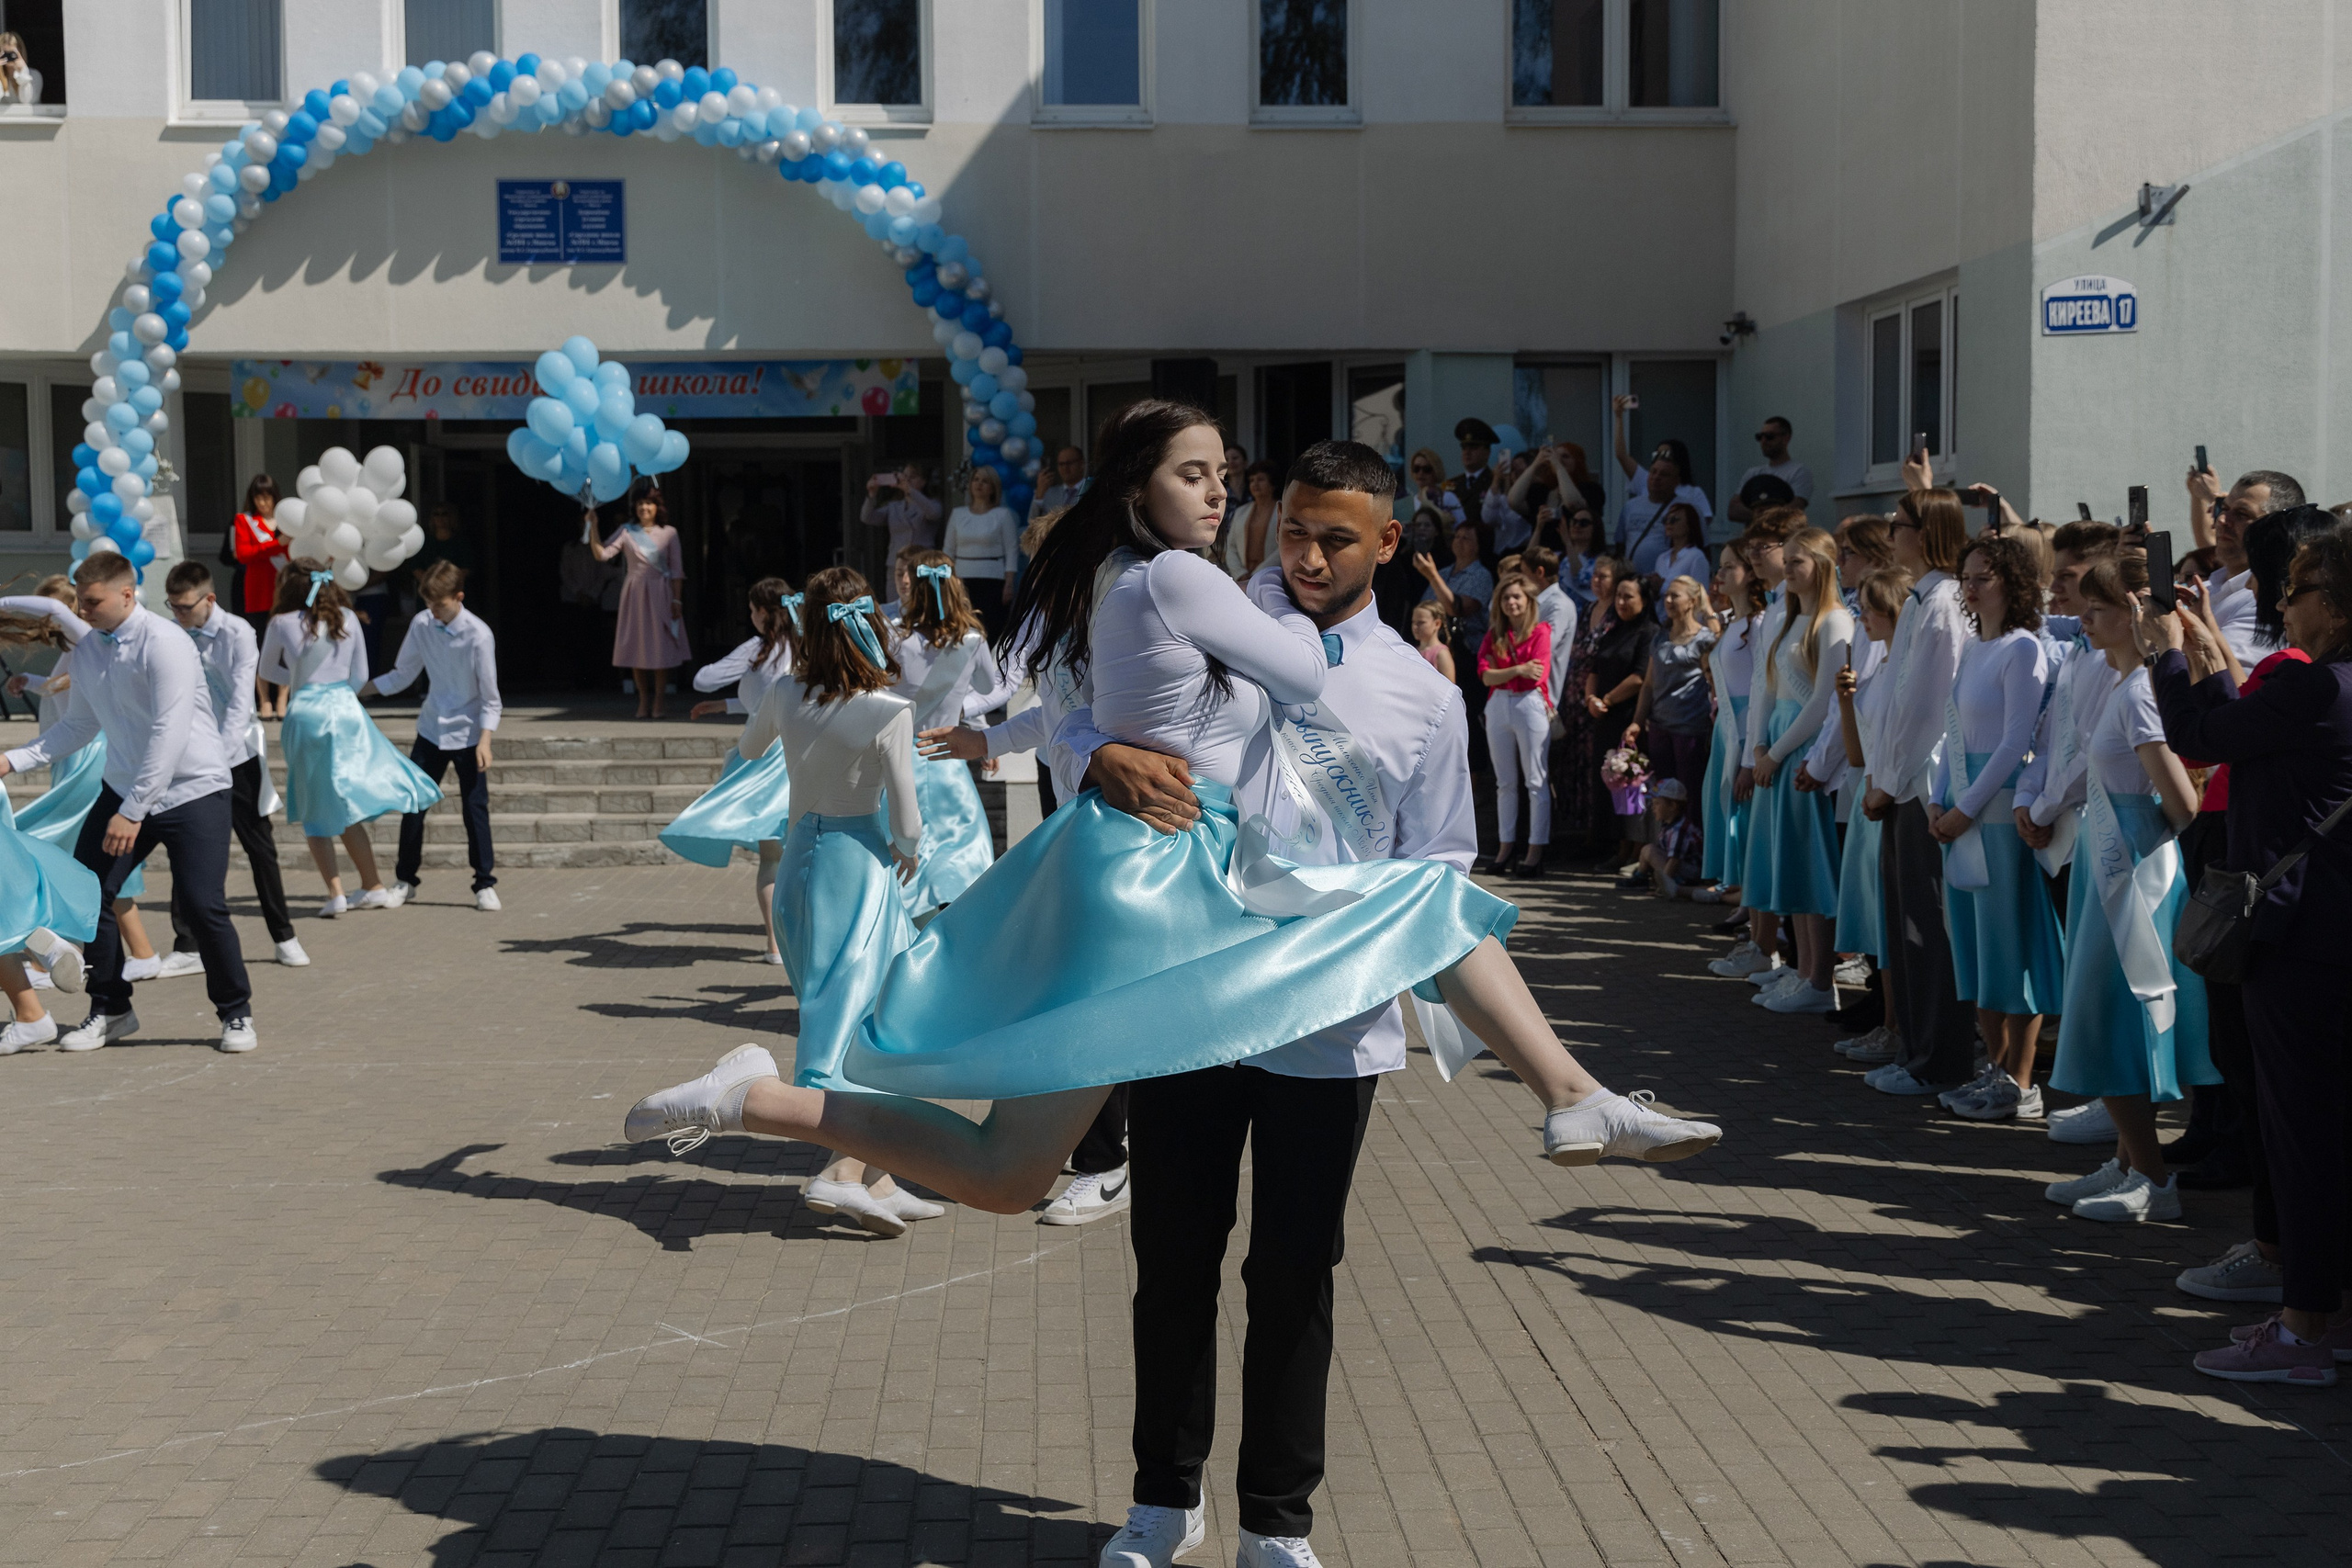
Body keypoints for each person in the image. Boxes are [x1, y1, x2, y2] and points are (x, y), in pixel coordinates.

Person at [625, 405, 1717, 1185]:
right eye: (1196, 473)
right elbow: (1297, 674)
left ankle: (752, 1098)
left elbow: (1077, 709)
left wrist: (1109, 736)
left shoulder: (1121, 580)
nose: (1221, 492)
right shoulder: (1183, 577)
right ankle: (1572, 1096)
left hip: (1122, 866)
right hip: (1174, 871)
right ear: (1139, 485)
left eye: (1223, 474)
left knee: (1006, 1171)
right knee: (1424, 903)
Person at [2145, 524, 2352, 1386]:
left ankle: (2303, 1330)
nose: (2282, 603)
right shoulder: (2327, 688)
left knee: (2302, 1135)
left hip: (2300, 941)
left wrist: (2164, 652)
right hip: (2332, 934)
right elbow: (2243, 721)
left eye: (2298, 590)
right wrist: (2209, 651)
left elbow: (2204, 731)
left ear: (2335, 603)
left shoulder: (2314, 688)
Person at [732, 565, 942, 1240]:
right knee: (869, 1022)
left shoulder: (786, 690)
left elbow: (747, 748)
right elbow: (907, 817)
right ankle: (842, 1170)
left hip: (800, 866)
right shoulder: (889, 709)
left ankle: (880, 1176)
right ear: (869, 626)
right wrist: (911, 848)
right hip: (859, 869)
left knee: (834, 1009)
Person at [0, 555, 259, 1054]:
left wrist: (134, 809)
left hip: (193, 789)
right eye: (79, 600)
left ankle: (236, 1013)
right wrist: (13, 760)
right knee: (88, 893)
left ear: (127, 594)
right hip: (124, 789)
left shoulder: (167, 643)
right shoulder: (90, 649)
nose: (83, 610)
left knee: (205, 906)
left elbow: (170, 731)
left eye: (92, 601)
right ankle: (111, 1008)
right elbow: (78, 725)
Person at [2030, 556, 2214, 1222]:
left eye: (2100, 609)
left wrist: (2143, 840)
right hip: (2108, 864)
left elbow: (2185, 802)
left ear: (2134, 617)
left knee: (2116, 1019)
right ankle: (2131, 1160)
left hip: (2131, 872)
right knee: (2105, 1015)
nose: (2085, 618)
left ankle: (2154, 1180)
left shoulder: (2140, 690)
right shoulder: (2114, 682)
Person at [1927, 533, 2064, 1117]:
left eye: (1985, 574)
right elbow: (1953, 730)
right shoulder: (1973, 647)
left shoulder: (2023, 648)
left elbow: (2015, 741)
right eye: (1967, 575)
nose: (1972, 585)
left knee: (2011, 945)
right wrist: (1938, 799)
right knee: (1975, 948)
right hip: (1960, 807)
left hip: (1996, 813)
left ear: (2013, 581)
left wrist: (1964, 808)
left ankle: (2020, 1080)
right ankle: (1993, 1066)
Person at [1857, 487, 1976, 1095]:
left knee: (1928, 929)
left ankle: (1939, 1060)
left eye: (1898, 523)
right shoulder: (1920, 600)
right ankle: (1914, 1050)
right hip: (1899, 785)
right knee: (1905, 926)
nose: (1891, 533)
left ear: (1925, 531)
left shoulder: (1945, 605)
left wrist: (1890, 783)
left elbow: (1932, 713)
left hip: (1921, 787)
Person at [259, 560, 442, 918]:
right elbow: (360, 676)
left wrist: (299, 678)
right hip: (346, 710)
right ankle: (372, 884)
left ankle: (336, 893)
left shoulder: (281, 623)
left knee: (314, 804)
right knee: (343, 802)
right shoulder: (349, 617)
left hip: (307, 712)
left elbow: (266, 670)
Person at [159, 563, 305, 971]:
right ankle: (187, 946)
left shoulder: (239, 632)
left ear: (210, 599)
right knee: (186, 847)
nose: (178, 615)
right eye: (172, 607)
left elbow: (241, 702)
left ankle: (284, 936)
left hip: (237, 755)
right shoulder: (173, 632)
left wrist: (217, 762)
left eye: (185, 607)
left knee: (260, 847)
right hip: (190, 756)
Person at [1741, 529, 1853, 1015]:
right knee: (1787, 865)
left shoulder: (1833, 622)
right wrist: (1759, 744)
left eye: (1797, 562)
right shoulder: (1787, 619)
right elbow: (1766, 689)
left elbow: (1824, 703)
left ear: (1823, 565)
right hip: (1778, 748)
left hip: (1804, 752)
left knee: (1811, 866)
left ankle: (1819, 979)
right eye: (1784, 561)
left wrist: (1778, 752)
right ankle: (1804, 969)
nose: (1786, 569)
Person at [669, 578, 800, 963]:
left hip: (764, 759)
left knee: (773, 858)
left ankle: (775, 945)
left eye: (751, 609)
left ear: (763, 612)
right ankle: (805, 942)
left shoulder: (760, 647)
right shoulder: (809, 645)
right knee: (806, 853)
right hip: (804, 754)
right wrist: (727, 705)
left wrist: (747, 656)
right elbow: (779, 697)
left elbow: (702, 678)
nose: (749, 616)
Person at [366, 561, 504, 913]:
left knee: (475, 809)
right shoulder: (422, 623)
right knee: (413, 804)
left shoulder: (479, 634)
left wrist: (486, 741)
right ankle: (405, 881)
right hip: (431, 728)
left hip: (470, 731)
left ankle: (484, 883)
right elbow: (402, 674)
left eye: (439, 605)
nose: (433, 611)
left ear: (458, 597)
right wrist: (357, 690)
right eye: (428, 604)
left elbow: (491, 698)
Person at [888, 547, 1001, 918]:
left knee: (905, 861)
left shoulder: (894, 639)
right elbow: (988, 687)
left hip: (900, 759)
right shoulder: (971, 640)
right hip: (946, 760)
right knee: (960, 859)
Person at [1826, 568, 1909, 1055]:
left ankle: (1898, 1025)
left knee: (1892, 921)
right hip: (1868, 797)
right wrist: (1845, 701)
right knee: (1877, 919)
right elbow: (1858, 755)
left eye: (1870, 607)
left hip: (1888, 801)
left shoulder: (1906, 665)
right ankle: (1888, 1018)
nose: (1862, 616)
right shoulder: (1878, 665)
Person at [1623, 574, 1717, 882]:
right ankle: (1662, 858)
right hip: (1660, 727)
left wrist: (1711, 614)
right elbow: (1649, 685)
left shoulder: (1705, 639)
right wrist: (1638, 720)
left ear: (1692, 600)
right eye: (1666, 595)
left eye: (1676, 595)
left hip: (1690, 728)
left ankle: (1691, 862)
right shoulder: (1660, 637)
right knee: (1662, 798)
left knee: (1688, 796)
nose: (1668, 601)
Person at [589, 480, 690, 719]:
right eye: (641, 503)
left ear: (657, 507)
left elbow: (677, 571)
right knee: (637, 648)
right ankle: (643, 701)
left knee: (660, 649)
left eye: (649, 503)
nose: (644, 508)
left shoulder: (669, 533)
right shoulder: (626, 530)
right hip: (635, 594)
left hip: (661, 594)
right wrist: (593, 526)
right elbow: (602, 554)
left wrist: (677, 601)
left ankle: (659, 701)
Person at [2186, 463, 2304, 664]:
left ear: (2277, 528)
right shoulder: (2205, 588)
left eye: (2241, 514)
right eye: (2223, 509)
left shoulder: (2267, 601)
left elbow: (2219, 679)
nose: (2222, 520)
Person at [1477, 577, 1554, 879]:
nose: (1511, 602)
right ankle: (1505, 848)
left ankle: (1535, 851)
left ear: (1529, 601)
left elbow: (1537, 675)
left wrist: (1503, 671)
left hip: (1530, 703)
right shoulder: (1495, 633)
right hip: (1499, 702)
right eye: (1506, 598)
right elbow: (1484, 675)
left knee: (1536, 780)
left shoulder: (1541, 631)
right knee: (1504, 783)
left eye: (1517, 597)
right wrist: (1518, 669)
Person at [1698, 547, 1761, 906]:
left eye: (1729, 566)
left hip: (1744, 728)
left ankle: (1753, 905)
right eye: (1718, 567)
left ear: (1750, 572)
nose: (1720, 574)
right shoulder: (1732, 621)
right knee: (1728, 811)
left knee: (1745, 816)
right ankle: (1742, 898)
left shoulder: (1759, 623)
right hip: (1726, 728)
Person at [1584, 574, 1655, 866]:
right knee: (1611, 782)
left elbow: (1641, 678)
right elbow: (1594, 670)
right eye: (1619, 596)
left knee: (1631, 782)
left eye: (1629, 597)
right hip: (1603, 717)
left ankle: (1637, 851)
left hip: (1630, 718)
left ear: (1644, 600)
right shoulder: (1611, 631)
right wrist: (1591, 699)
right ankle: (1619, 847)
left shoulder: (1649, 632)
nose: (1622, 602)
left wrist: (1608, 700)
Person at [1610, 393, 1713, 581]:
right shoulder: (1631, 505)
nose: (1656, 478)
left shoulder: (1690, 503)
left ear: (1676, 479)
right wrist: (1618, 417)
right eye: (1653, 471)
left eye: (1664, 474)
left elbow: (1702, 548)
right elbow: (1621, 455)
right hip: (1632, 584)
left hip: (1666, 586)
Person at [232, 475, 290, 718]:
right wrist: (277, 545)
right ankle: (264, 700)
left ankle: (282, 699)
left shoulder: (288, 521)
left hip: (284, 592)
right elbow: (244, 555)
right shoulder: (244, 521)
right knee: (261, 647)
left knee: (287, 646)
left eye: (267, 497)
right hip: (257, 592)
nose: (264, 503)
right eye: (259, 497)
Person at [943, 467, 1022, 640]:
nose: (979, 484)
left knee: (991, 629)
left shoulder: (1002, 515)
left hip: (993, 581)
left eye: (985, 481)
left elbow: (1011, 550)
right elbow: (948, 550)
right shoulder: (958, 514)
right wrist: (948, 580)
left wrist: (1009, 584)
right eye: (976, 479)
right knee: (962, 628)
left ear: (993, 488)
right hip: (961, 580)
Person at [1727, 416, 1815, 525]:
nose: (1763, 441)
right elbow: (1733, 510)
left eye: (1769, 436)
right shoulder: (1753, 473)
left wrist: (1756, 515)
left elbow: (1794, 509)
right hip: (1753, 538)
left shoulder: (1799, 471)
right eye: (1760, 437)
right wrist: (1764, 516)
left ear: (1786, 438)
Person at [859, 459, 943, 563]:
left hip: (922, 561)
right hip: (897, 562)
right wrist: (872, 495)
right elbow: (867, 517)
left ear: (924, 481)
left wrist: (910, 490)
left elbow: (934, 513)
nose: (907, 480)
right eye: (904, 476)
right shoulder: (894, 506)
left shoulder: (932, 504)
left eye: (912, 477)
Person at [1634, 778, 1701, 898]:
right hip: (1679, 867)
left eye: (1657, 803)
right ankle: (1640, 878)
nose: (1653, 807)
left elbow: (1675, 860)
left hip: (1691, 872)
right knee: (1646, 850)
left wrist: (1662, 886)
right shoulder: (1668, 825)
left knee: (1650, 850)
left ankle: (1671, 884)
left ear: (1673, 806)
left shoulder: (1680, 829)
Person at [1219, 461, 1283, 580]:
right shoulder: (1241, 512)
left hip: (1273, 577)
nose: (1255, 484)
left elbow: (1285, 546)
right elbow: (1230, 546)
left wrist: (1257, 574)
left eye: (1260, 479)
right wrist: (1240, 573)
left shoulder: (1283, 511)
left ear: (1273, 484)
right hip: (1243, 579)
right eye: (1252, 480)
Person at [1652, 503, 1712, 592]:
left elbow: (1701, 594)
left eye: (1674, 520)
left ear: (1689, 525)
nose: (1668, 523)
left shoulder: (1696, 557)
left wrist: (1663, 587)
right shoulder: (1661, 559)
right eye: (1665, 520)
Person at [1031, 446, 1089, 521]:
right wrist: (1039, 496)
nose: (1065, 468)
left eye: (1069, 463)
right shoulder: (1049, 493)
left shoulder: (1091, 490)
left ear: (1081, 464)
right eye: (1061, 464)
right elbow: (1032, 522)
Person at [1409, 602, 1453, 678]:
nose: (1415, 627)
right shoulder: (1412, 650)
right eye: (1413, 622)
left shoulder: (1442, 653)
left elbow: (1450, 686)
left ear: (1437, 624)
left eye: (1421, 623)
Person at [0, 31, 44, 104]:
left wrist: (23, 72)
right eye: (5, 54)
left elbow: (27, 101)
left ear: (20, 52)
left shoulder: (34, 75)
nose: (8, 57)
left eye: (12, 53)